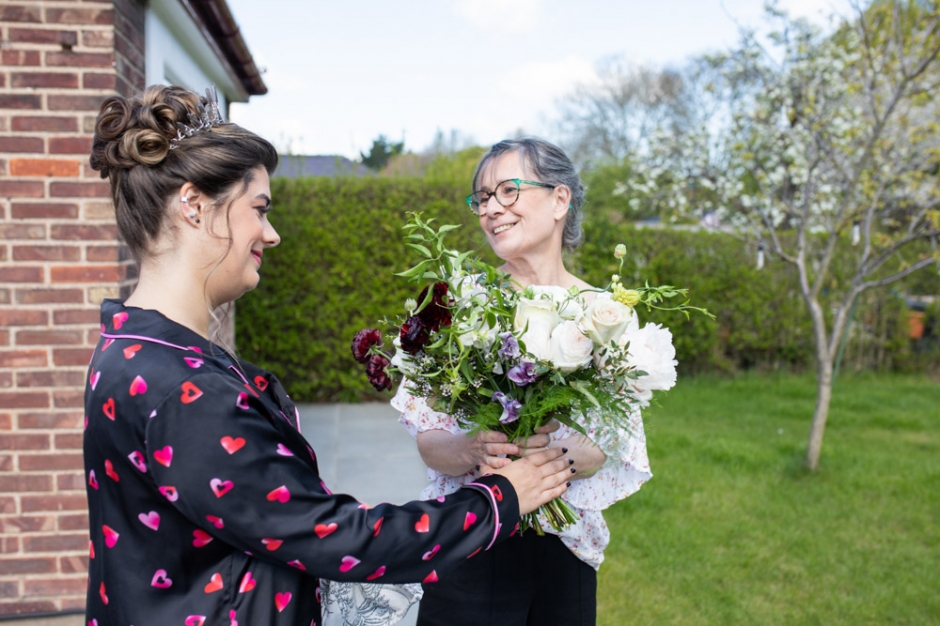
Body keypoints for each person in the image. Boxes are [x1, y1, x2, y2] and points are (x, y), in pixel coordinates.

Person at [83, 86, 573, 626]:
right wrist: (499, 500)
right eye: (259, 209)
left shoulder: (129, 349)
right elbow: (336, 537)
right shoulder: (182, 386)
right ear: (195, 207)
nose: (270, 234)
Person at [395, 137, 653, 625]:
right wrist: (474, 449)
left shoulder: (605, 315)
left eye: (508, 191)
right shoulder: (457, 304)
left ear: (560, 199)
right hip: (471, 542)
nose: (492, 209)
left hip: (565, 555)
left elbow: (611, 442)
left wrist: (550, 459)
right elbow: (429, 443)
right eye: (483, 198)